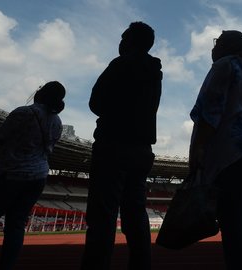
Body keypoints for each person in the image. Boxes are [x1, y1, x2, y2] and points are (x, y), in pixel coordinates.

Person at [80, 21, 162, 270]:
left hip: (113, 144)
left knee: (102, 216)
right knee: (135, 213)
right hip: (141, 150)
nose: (120, 42)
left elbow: (95, 102)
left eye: (124, 38)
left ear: (130, 41)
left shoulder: (120, 64)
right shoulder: (155, 71)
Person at [189, 30, 242, 270]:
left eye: (218, 42)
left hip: (229, 150)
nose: (214, 47)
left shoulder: (225, 65)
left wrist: (197, 152)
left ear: (227, 46)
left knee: (232, 222)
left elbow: (209, 112)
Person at [0, 81, 66, 270]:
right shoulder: (57, 122)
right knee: (16, 225)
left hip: (11, 174)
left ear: (42, 93)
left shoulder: (24, 112)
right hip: (38, 177)